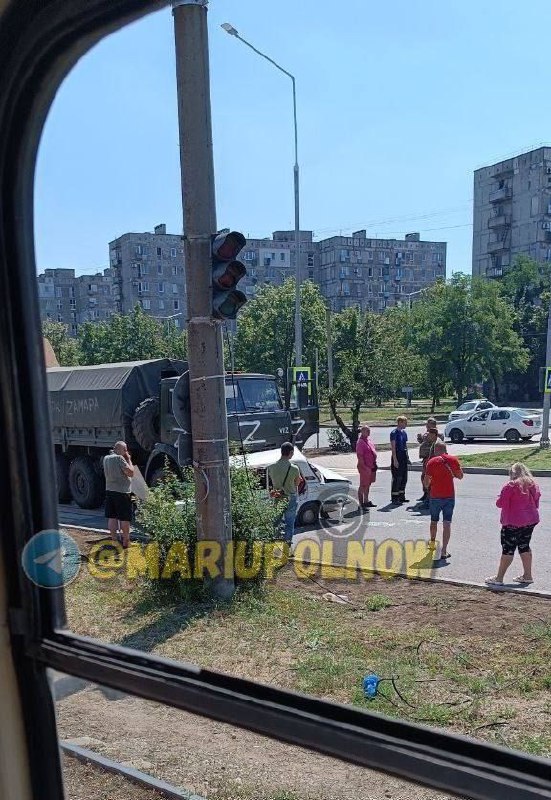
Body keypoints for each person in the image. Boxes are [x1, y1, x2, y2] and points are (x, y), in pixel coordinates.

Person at [485, 464, 540, 587]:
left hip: (512, 522)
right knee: (524, 546)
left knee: (508, 549)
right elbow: (536, 503)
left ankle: (499, 578)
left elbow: (500, 503)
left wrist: (499, 497)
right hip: (530, 521)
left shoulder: (510, 485)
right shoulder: (532, 484)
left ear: (512, 473)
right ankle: (528, 575)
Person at [424, 441, 463, 559]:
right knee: (447, 523)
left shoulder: (431, 462)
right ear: (445, 449)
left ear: (436, 450)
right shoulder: (453, 460)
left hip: (435, 496)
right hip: (449, 496)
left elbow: (426, 482)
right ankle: (444, 551)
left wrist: (429, 485)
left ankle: (432, 543)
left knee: (434, 521)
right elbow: (460, 476)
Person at [268, 442, 301, 547]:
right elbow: (297, 482)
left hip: (278, 497)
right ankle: (287, 547)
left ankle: (273, 545)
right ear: (290, 452)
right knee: (289, 524)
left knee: (276, 523)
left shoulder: (271, 467)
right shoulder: (294, 468)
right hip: (290, 497)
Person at [103, 441, 134, 548]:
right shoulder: (119, 458)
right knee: (124, 518)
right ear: (118, 449)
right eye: (124, 449)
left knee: (112, 516)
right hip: (122, 492)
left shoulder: (106, 458)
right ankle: (126, 540)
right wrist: (128, 459)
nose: (126, 452)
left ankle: (114, 540)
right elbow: (131, 472)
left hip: (109, 490)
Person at [416, 418, 444, 505]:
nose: (426, 426)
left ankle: (430, 497)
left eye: (428, 425)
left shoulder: (438, 434)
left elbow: (437, 442)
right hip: (425, 459)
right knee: (423, 477)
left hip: (433, 459)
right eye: (426, 425)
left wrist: (429, 435)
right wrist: (420, 439)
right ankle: (426, 494)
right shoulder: (426, 433)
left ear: (433, 425)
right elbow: (424, 443)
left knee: (429, 478)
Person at [356, 425, 378, 511]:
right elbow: (360, 456)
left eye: (369, 431)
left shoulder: (368, 440)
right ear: (362, 432)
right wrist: (364, 467)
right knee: (363, 484)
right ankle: (361, 504)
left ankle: (366, 501)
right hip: (364, 466)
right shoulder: (360, 442)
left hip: (371, 465)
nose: (369, 432)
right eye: (367, 431)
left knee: (368, 484)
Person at [390, 416, 409, 504]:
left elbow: (405, 445)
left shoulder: (404, 433)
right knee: (397, 477)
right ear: (400, 422)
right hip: (397, 455)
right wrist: (395, 459)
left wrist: (407, 457)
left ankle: (402, 495)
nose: (406, 424)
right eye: (405, 422)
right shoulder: (394, 433)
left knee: (404, 477)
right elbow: (393, 447)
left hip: (403, 456)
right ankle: (395, 497)